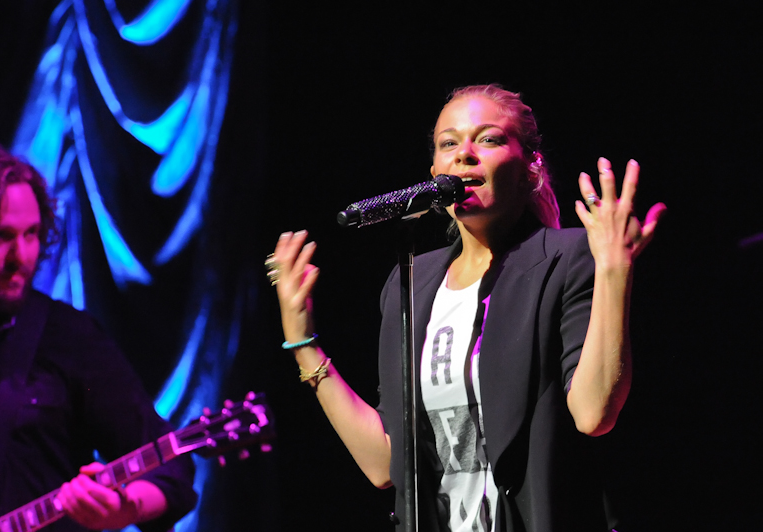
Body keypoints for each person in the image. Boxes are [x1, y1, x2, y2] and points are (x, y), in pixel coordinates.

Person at [269, 84, 666, 532]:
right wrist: (304, 343)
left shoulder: (565, 258)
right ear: (434, 170)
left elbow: (594, 414)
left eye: (489, 139)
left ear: (529, 166)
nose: (464, 155)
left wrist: (614, 271)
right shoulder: (411, 282)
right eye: (448, 143)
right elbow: (386, 464)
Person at [0, 138, 197, 531]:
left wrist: (127, 507)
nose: (22, 256)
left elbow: (172, 465)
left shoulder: (67, 338)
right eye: (1, 237)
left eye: (33, 234)